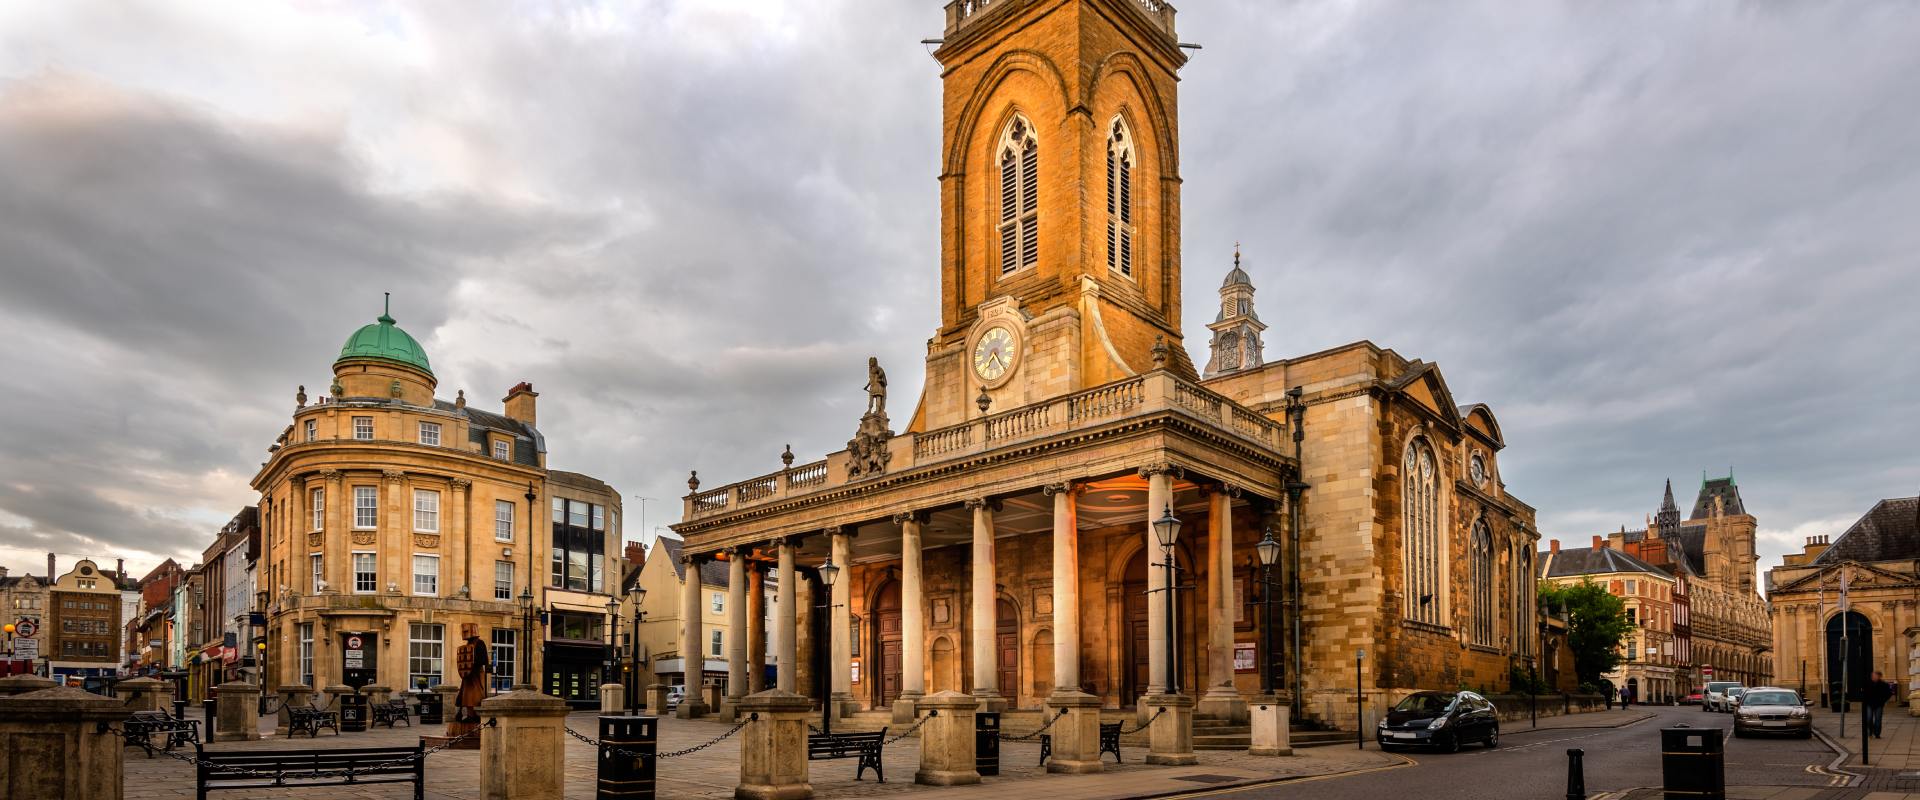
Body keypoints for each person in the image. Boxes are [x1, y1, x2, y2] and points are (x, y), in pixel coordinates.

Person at [1864, 670, 1893, 738]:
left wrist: (1883, 700)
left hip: (1879, 705)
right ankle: (1870, 729)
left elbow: (1889, 693)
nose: (1873, 677)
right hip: (1869, 704)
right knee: (1869, 717)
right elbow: (1862, 693)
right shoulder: (1868, 684)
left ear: (1879, 677)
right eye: (1872, 676)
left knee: (1878, 719)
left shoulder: (1884, 685)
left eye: (1874, 676)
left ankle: (1877, 733)